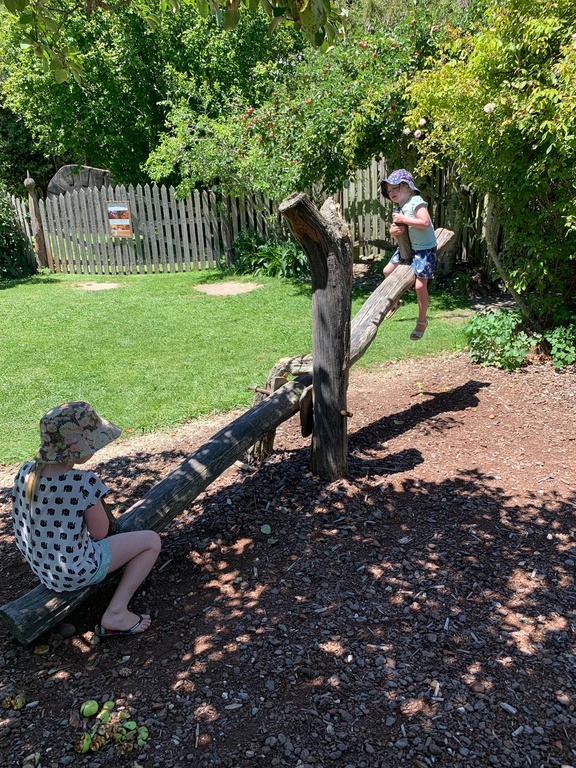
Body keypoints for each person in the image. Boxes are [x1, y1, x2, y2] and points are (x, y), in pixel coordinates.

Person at [11, 401, 161, 638]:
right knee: (151, 541)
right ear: (76, 448)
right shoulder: (82, 482)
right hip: (75, 571)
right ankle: (117, 611)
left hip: (43, 567)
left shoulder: (25, 472)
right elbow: (100, 533)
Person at [380, 169, 437, 340]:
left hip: (424, 250)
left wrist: (404, 220)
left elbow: (424, 222)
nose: (391, 192)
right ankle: (396, 301)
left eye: (395, 187)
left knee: (420, 286)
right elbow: (399, 231)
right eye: (389, 190)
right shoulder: (399, 208)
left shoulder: (416, 202)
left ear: (407, 187)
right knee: (387, 271)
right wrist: (393, 232)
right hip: (409, 247)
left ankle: (422, 321)